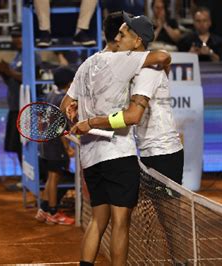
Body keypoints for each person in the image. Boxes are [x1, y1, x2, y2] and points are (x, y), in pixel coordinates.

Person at [60, 12, 171, 265]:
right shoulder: (123, 59)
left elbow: (67, 103)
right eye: (123, 32)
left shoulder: (86, 64)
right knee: (121, 223)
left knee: (98, 221)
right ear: (120, 36)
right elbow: (162, 56)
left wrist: (74, 111)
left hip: (90, 158)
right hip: (117, 154)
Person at [35, 67, 76, 225]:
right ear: (69, 83)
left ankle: (43, 209)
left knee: (50, 177)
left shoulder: (51, 95)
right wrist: (67, 147)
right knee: (54, 178)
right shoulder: (63, 99)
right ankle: (53, 212)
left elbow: (41, 118)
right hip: (56, 145)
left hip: (46, 143)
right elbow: (61, 128)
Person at [0, 23, 23, 189]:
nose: (16, 39)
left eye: (19, 35)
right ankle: (25, 177)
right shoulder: (18, 55)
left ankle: (30, 178)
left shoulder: (31, 55)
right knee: (17, 146)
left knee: (23, 145)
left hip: (24, 107)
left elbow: (28, 78)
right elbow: (12, 80)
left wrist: (9, 71)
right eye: (14, 36)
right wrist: (3, 72)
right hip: (14, 106)